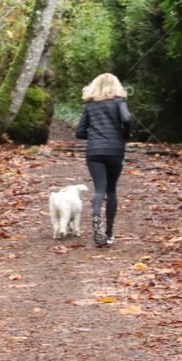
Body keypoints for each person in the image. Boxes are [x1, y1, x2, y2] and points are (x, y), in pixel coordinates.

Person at [74, 73, 131, 247]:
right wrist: (124, 135)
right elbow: (127, 118)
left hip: (94, 152)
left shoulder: (90, 107)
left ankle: (96, 215)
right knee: (111, 190)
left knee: (99, 189)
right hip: (115, 150)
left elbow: (79, 132)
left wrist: (94, 135)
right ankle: (109, 233)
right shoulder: (119, 102)